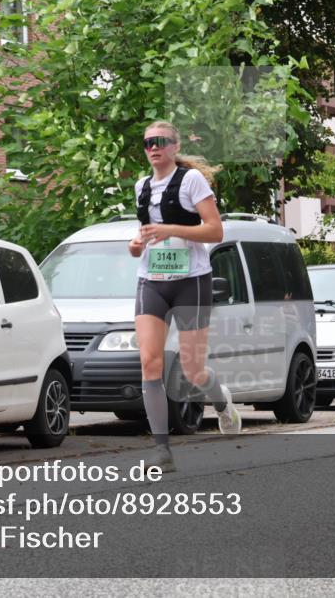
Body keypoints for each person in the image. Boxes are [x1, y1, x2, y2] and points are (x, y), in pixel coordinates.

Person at [129, 120, 240, 472]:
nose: (153, 147)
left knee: (192, 370)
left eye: (160, 141)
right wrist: (136, 245)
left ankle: (221, 402)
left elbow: (215, 230)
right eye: (147, 143)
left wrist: (171, 229)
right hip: (152, 280)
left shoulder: (191, 181)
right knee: (150, 362)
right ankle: (162, 450)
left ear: (175, 146)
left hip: (191, 280)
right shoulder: (141, 186)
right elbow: (145, 237)